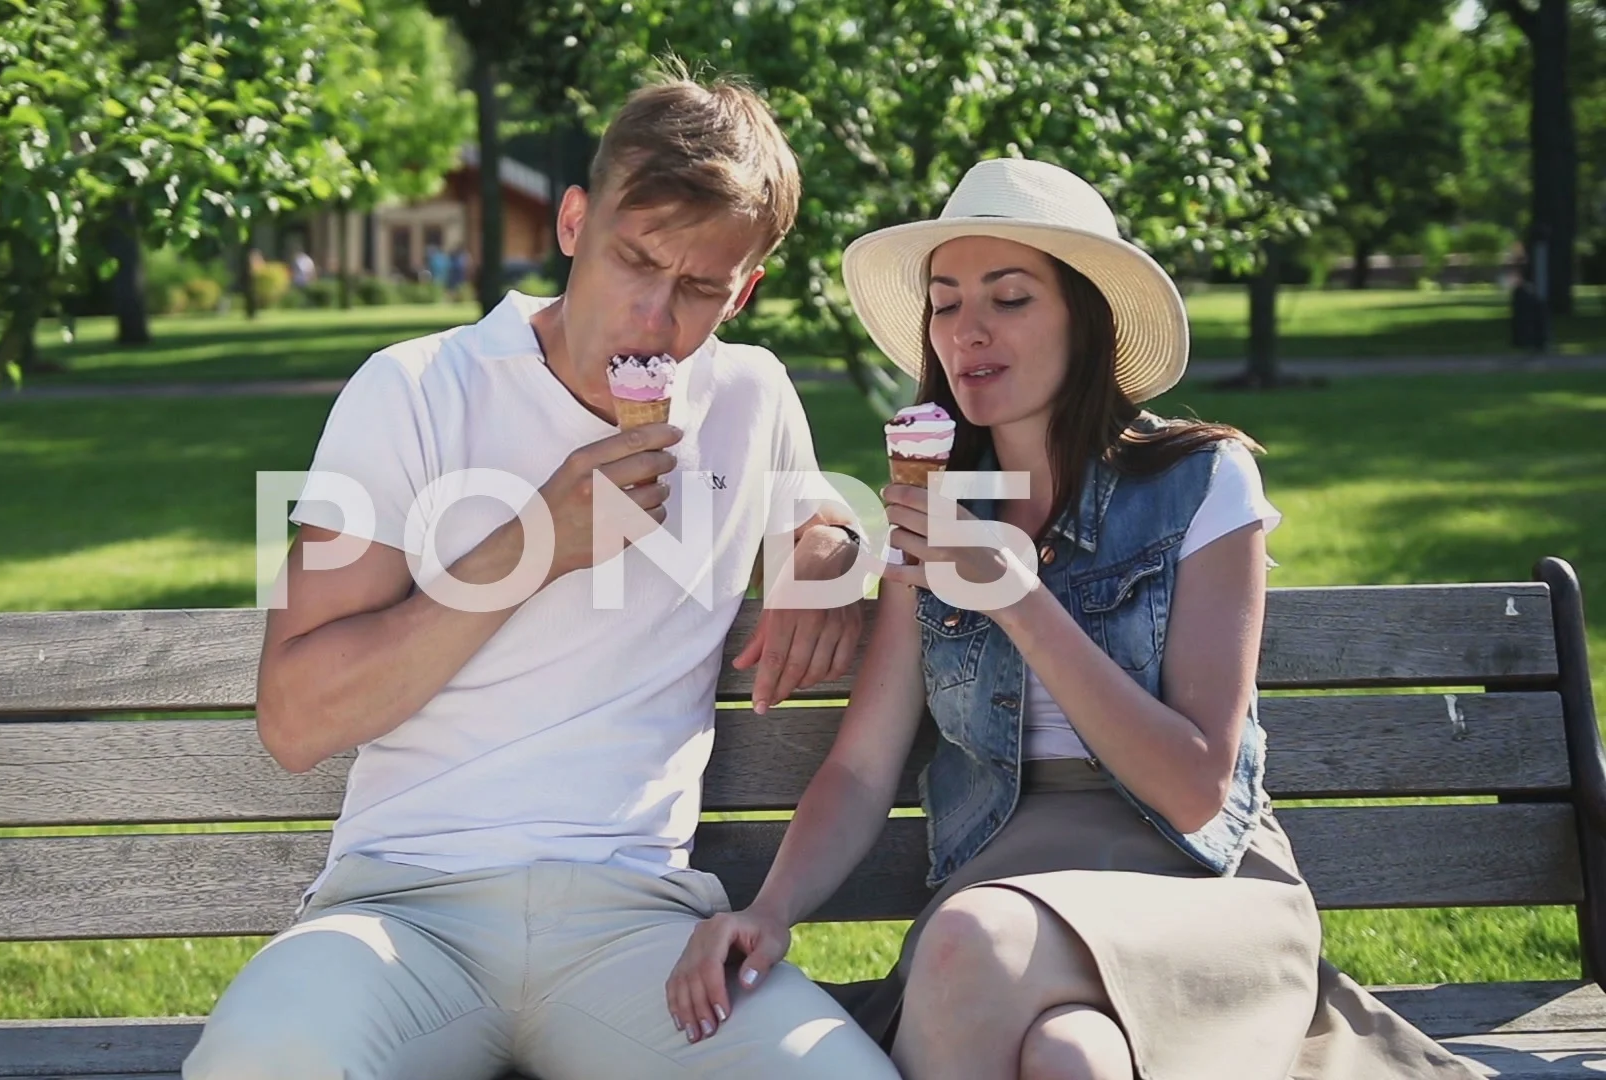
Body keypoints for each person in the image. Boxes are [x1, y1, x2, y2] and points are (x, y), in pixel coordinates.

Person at [665, 158, 1481, 1080]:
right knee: (1071, 1060)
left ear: (1086, 319)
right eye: (945, 303)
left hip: (1193, 889)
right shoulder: (933, 510)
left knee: (973, 940)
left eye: (1010, 299)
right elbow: (860, 766)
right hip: (1012, 891)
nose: (968, 330)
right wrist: (769, 909)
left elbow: (1196, 788)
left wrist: (1019, 600)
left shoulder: (1202, 485)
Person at [181, 69, 898, 1080]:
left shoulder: (750, 393)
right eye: (634, 260)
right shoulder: (416, 390)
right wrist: (535, 544)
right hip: (401, 918)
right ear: (572, 222)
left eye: (700, 289)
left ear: (745, 290)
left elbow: (824, 520)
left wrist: (829, 548)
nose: (653, 318)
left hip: (638, 931)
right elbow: (296, 720)